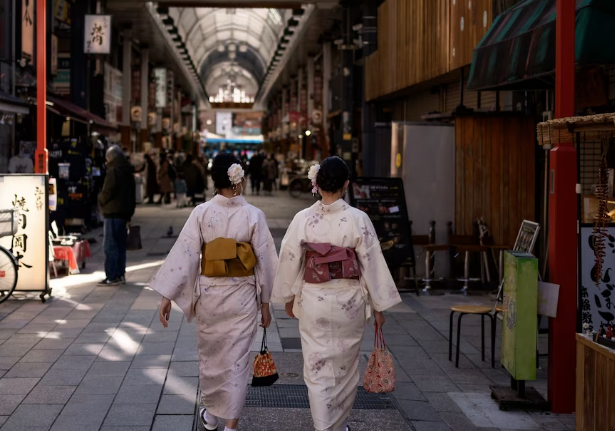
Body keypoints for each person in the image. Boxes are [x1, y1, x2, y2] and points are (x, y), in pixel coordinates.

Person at [149, 153, 278, 431]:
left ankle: (210, 416)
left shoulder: (202, 212)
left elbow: (185, 254)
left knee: (212, 359)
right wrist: (265, 302)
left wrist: (167, 295)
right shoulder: (253, 215)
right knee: (238, 363)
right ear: (237, 180)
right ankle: (231, 425)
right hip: (242, 297)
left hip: (210, 295)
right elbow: (266, 262)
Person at [272, 156, 401, 431]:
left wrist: (288, 296)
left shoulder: (303, 219)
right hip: (348, 303)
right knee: (345, 369)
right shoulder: (358, 219)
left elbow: (290, 258)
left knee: (317, 369)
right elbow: (372, 264)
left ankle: (323, 425)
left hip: (314, 301)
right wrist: (379, 308)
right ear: (346, 185)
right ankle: (337, 425)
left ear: (316, 184)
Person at [97, 145, 136, 286]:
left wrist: (99, 199)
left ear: (111, 158)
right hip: (124, 214)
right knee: (120, 246)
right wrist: (129, 215)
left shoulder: (113, 171)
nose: (106, 162)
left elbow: (107, 192)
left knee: (110, 246)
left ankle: (112, 276)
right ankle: (120, 274)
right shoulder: (127, 170)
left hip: (112, 213)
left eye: (107, 159)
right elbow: (132, 195)